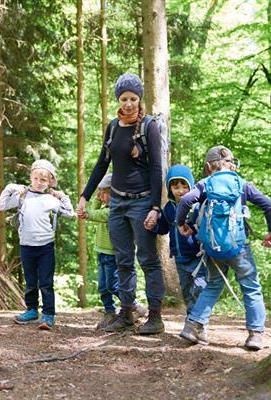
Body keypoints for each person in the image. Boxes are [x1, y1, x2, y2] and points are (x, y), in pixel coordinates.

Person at [77, 72, 165, 335]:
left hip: (141, 203)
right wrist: (85, 195)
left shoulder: (150, 127)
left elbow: (157, 169)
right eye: (124, 98)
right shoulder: (113, 126)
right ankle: (126, 313)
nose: (128, 103)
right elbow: (102, 163)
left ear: (140, 99)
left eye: (133, 98)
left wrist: (155, 207)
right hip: (116, 203)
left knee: (148, 259)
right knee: (123, 261)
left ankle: (155, 316)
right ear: (119, 98)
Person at [176, 146, 271, 350]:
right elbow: (268, 205)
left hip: (213, 248)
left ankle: (193, 326)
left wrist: (181, 224)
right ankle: (255, 335)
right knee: (251, 286)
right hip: (238, 246)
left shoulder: (205, 184)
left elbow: (186, 200)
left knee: (213, 284)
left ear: (208, 167)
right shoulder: (241, 184)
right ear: (231, 164)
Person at [0, 159, 74, 330]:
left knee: (46, 282)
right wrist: (10, 188)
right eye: (36, 178)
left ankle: (48, 314)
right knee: (31, 281)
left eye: (44, 180)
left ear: (50, 182)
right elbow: (2, 206)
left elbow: (70, 213)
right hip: (26, 246)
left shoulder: (50, 199)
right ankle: (31, 310)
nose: (39, 183)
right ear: (31, 177)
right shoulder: (22, 196)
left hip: (46, 246)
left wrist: (63, 196)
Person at [80, 173, 148, 330]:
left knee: (113, 285)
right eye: (100, 193)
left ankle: (134, 305)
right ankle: (109, 312)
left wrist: (87, 213)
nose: (101, 196)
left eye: (105, 193)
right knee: (103, 286)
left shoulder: (115, 211)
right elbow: (95, 209)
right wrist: (97, 198)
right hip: (101, 252)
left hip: (112, 254)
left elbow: (96, 215)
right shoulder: (105, 206)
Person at [146, 164, 206, 315]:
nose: (180, 191)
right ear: (170, 189)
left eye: (184, 186)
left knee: (199, 288)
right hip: (180, 258)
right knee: (186, 291)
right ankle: (192, 319)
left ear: (191, 186)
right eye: (176, 187)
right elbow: (164, 229)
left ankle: (198, 322)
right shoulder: (169, 208)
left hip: (197, 257)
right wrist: (153, 226)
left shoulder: (196, 206)